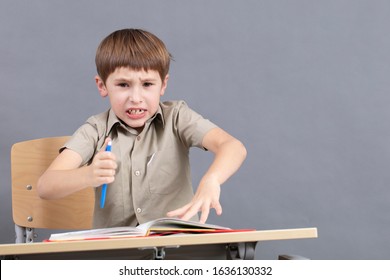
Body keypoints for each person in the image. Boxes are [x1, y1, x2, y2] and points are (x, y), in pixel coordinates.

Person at [37, 28, 247, 229]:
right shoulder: (95, 130)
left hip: (177, 249)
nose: (136, 98)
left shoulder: (177, 117)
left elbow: (233, 147)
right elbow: (45, 186)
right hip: (117, 254)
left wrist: (212, 179)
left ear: (163, 85)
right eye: (123, 85)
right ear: (102, 86)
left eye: (147, 84)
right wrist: (89, 174)